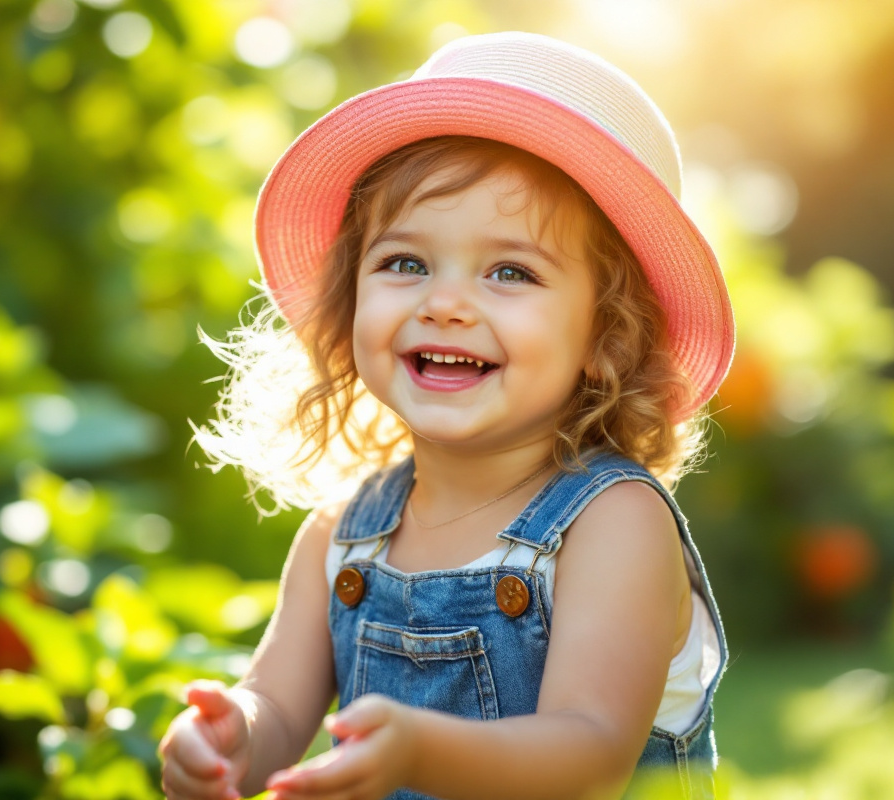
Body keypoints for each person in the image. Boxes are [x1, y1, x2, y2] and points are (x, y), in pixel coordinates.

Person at [159, 31, 733, 800]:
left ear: (607, 336)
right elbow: (279, 710)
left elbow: (591, 753)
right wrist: (232, 736)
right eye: (406, 262)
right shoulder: (343, 536)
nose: (445, 304)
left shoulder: (614, 524)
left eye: (510, 271)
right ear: (348, 299)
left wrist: (423, 753)